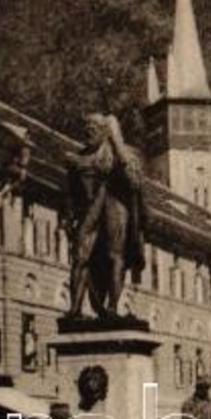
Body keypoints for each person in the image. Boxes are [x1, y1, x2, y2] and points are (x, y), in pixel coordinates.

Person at [65, 112, 146, 320]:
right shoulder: (77, 159)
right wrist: (69, 216)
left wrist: (117, 143)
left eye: (95, 127)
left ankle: (112, 306)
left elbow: (134, 182)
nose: (89, 130)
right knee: (80, 258)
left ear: (105, 131)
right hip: (89, 212)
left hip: (114, 207)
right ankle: (75, 308)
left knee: (114, 256)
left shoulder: (122, 154)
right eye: (87, 126)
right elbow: (70, 192)